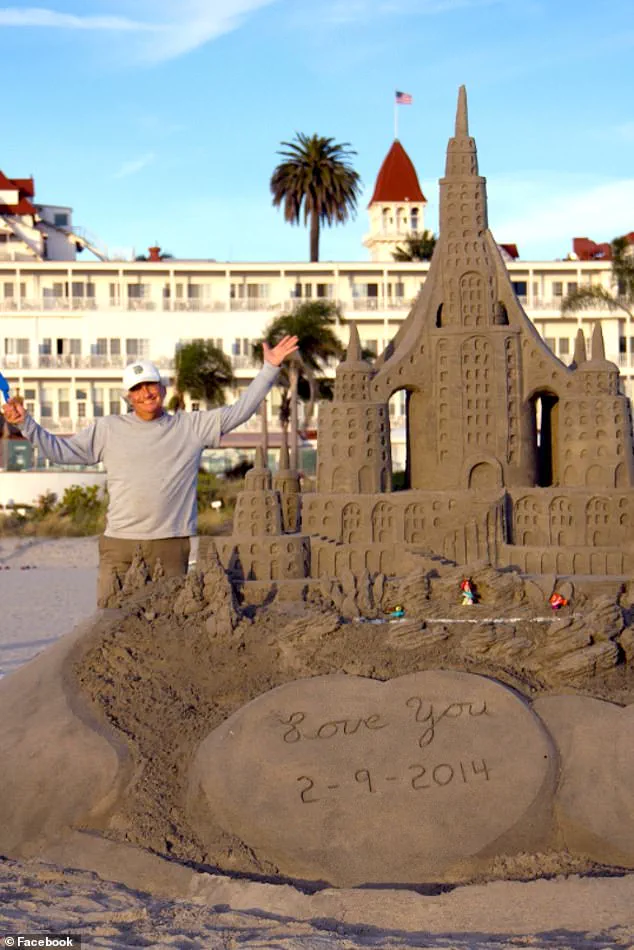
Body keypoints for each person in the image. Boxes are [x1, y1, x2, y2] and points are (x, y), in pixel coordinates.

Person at [1, 335, 298, 605]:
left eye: (150, 385)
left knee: (166, 626)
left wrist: (269, 368)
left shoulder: (191, 426)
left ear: (163, 388)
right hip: (119, 545)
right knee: (108, 623)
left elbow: (240, 410)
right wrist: (25, 423)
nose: (145, 393)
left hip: (171, 543)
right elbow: (59, 452)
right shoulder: (108, 429)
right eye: (137, 389)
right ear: (128, 397)